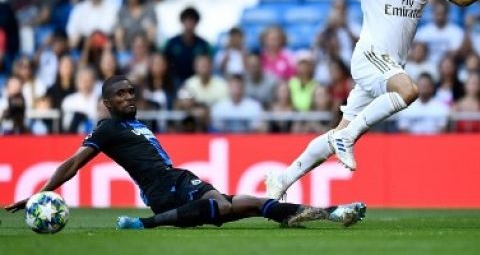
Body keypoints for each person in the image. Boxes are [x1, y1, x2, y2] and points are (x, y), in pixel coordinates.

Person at [265, 0, 480, 199]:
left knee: (339, 131)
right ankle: (346, 138)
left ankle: (283, 178)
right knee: (409, 91)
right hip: (370, 56)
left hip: (388, 67)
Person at [4, 75, 367, 229]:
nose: (129, 97)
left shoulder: (133, 124)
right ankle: (143, 225)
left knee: (254, 204)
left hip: (176, 185)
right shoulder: (107, 128)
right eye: (121, 95)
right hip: (168, 188)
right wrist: (42, 192)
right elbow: (73, 163)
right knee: (225, 205)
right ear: (106, 103)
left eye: (131, 92)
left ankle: (330, 214)